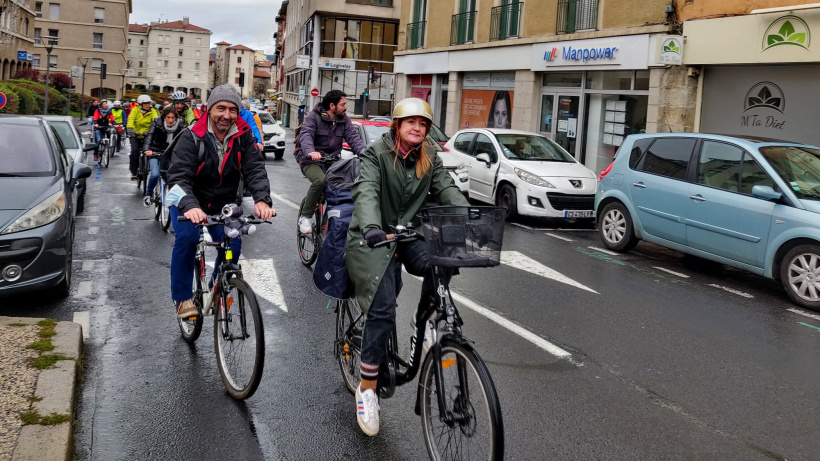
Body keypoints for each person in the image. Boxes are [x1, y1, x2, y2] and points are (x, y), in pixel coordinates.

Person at [344, 97, 469, 437]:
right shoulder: (375, 155)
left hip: (407, 234)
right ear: (397, 125)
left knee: (442, 260)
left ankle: (425, 315)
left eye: (423, 123)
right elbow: (367, 191)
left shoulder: (430, 159)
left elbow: (448, 190)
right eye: (410, 122)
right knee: (383, 309)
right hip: (370, 237)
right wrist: (371, 226)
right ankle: (367, 388)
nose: (418, 127)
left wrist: (466, 217)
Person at [166, 83, 275, 319]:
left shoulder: (243, 136)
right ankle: (183, 297)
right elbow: (179, 176)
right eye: (221, 108)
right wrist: (191, 206)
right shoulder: (191, 137)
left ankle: (218, 289)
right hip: (188, 201)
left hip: (222, 202)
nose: (226, 115)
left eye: (232, 110)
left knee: (233, 244)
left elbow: (255, 169)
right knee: (188, 238)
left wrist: (262, 200)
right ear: (209, 109)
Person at [296, 89, 364, 234]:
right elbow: (306, 135)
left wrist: (365, 154)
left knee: (345, 183)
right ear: (332, 106)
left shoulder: (344, 119)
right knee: (320, 181)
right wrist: (310, 152)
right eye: (343, 104)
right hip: (311, 160)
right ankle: (306, 216)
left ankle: (334, 217)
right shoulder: (313, 116)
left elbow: (353, 138)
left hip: (332, 160)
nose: (346, 107)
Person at [141, 106, 185, 204]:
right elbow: (150, 136)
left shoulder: (180, 124)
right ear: (164, 117)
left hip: (170, 153)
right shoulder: (157, 122)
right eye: (168, 117)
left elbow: (184, 139)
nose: (170, 120)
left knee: (173, 176)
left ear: (176, 118)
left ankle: (174, 198)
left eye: (173, 117)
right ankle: (148, 194)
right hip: (155, 151)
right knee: (155, 174)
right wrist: (147, 149)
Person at [126, 95, 160, 180]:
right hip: (135, 135)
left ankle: (146, 166)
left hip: (147, 135)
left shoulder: (153, 111)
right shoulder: (135, 110)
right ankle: (134, 172)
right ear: (140, 104)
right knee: (135, 151)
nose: (147, 105)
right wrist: (130, 129)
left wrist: (155, 130)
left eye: (148, 103)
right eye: (145, 104)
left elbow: (156, 121)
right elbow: (131, 120)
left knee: (149, 151)